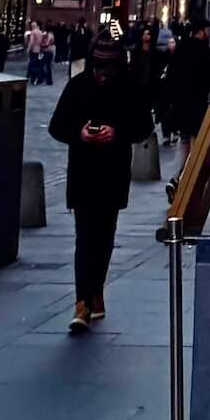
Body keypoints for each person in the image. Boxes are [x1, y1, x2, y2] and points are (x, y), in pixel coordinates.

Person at [49, 35, 153, 332]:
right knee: (85, 238)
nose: (103, 74)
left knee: (104, 236)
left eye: (108, 68)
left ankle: (96, 292)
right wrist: (80, 132)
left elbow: (143, 126)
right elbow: (57, 125)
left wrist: (116, 133)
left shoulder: (129, 86)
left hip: (112, 172)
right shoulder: (78, 86)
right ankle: (82, 301)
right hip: (84, 172)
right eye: (99, 67)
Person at [162, 19, 210, 156]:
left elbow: (171, 75)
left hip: (181, 103)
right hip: (199, 103)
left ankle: (184, 171)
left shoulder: (181, 49)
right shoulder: (204, 51)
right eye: (207, 30)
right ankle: (189, 170)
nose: (209, 34)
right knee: (197, 138)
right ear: (200, 32)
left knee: (185, 138)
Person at [23, 18, 54, 86]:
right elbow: (43, 41)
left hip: (34, 50)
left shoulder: (33, 32)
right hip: (39, 50)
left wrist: (28, 49)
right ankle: (35, 79)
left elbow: (31, 42)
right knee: (38, 65)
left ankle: (36, 76)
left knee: (32, 65)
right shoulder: (40, 32)